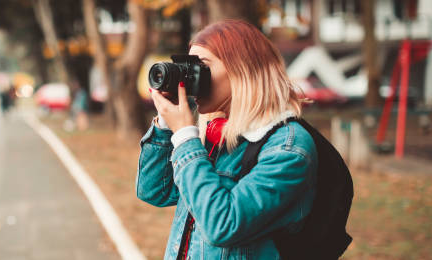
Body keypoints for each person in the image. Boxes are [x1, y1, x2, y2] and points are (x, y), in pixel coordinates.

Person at [136, 20, 317, 259]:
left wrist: (184, 137)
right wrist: (167, 123)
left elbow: (222, 225)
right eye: (189, 66)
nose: (191, 80)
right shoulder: (218, 133)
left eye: (202, 66)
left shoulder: (288, 147)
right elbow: (154, 191)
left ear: (243, 70)